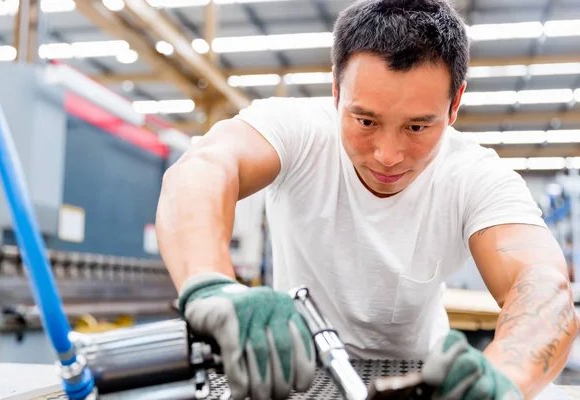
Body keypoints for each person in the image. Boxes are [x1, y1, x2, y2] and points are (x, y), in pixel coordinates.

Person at [156, 0, 579, 399]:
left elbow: (541, 284)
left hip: (420, 378)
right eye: (366, 120)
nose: (388, 155)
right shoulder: (296, 130)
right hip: (296, 371)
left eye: (417, 127)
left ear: (454, 106)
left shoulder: (475, 175)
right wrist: (212, 284)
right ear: (336, 91)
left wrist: (503, 379)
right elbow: (202, 169)